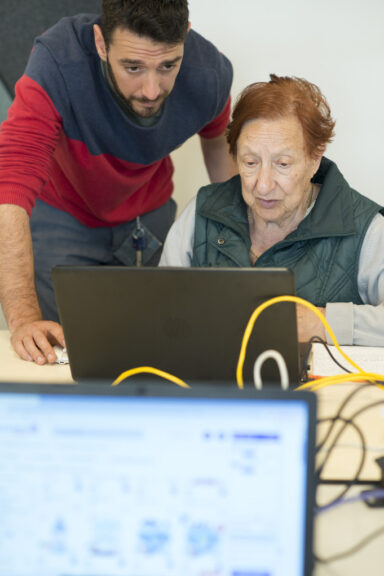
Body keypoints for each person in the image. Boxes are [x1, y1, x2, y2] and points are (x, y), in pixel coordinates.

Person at [0, 0, 234, 364]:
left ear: (185, 37)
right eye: (133, 67)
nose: (152, 90)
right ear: (100, 43)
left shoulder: (210, 73)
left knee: (156, 348)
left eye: (168, 65)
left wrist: (241, 263)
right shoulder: (57, 61)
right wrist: (25, 319)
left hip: (147, 215)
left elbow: (224, 163)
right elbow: (10, 191)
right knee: (58, 355)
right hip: (62, 214)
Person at [160, 74, 384, 346]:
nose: (263, 186)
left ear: (315, 158)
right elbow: (158, 312)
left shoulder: (367, 228)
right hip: (212, 386)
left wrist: (321, 322)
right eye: (250, 162)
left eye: (283, 164)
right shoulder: (202, 212)